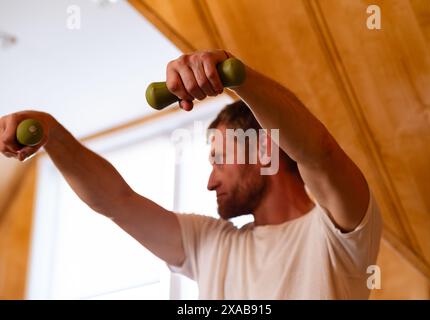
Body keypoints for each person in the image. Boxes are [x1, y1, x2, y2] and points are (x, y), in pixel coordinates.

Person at [0, 49, 382, 299]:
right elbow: (116, 201)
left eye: (220, 159)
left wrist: (239, 78)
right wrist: (53, 134)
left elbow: (319, 152)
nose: (210, 180)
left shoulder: (337, 233)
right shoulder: (211, 244)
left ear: (265, 151)